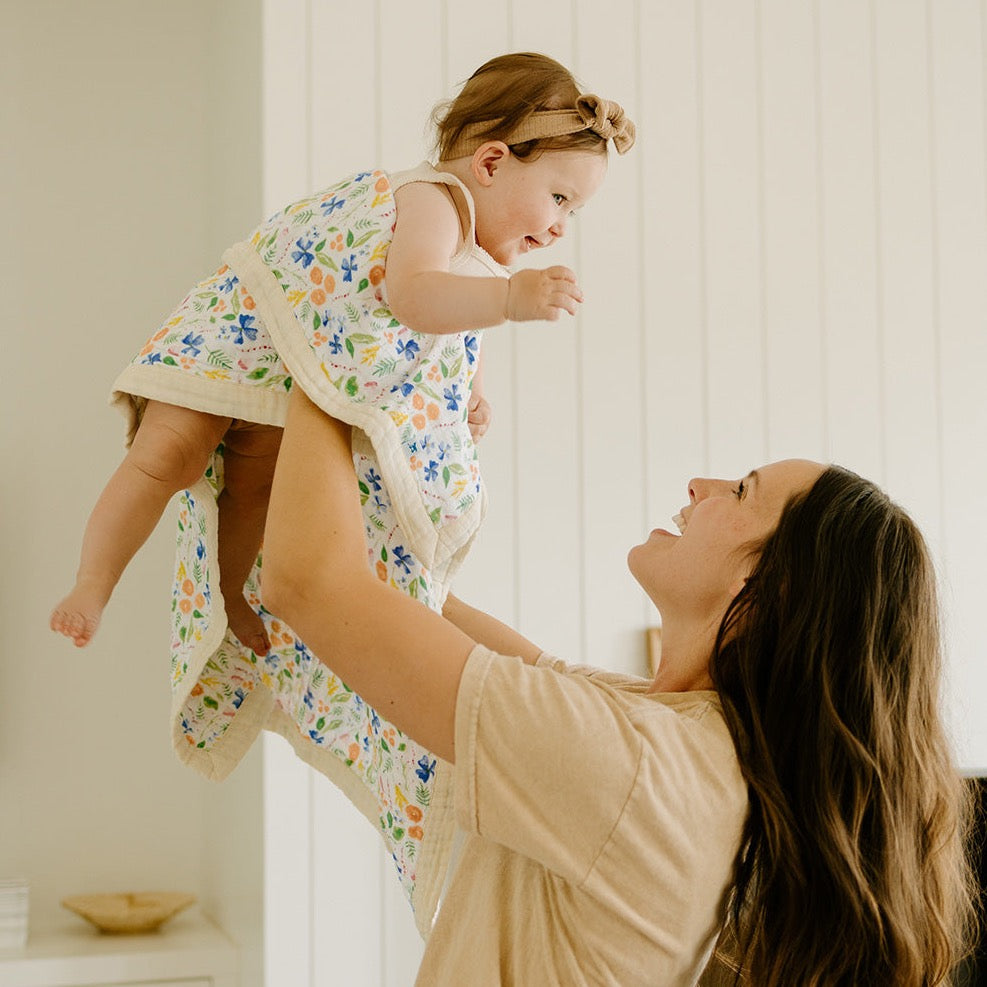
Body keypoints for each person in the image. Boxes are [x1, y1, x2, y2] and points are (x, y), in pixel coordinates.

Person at [260, 387, 975, 985]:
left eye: (740, 489)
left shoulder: (637, 763)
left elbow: (308, 582)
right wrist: (411, 424)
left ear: (760, 588)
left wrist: (333, 361)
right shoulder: (668, 730)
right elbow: (410, 603)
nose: (699, 483)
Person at [49, 52, 633, 655]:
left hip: (287, 381)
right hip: (235, 343)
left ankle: (227, 596)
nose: (563, 226)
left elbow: (452, 331)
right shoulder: (433, 200)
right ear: (490, 162)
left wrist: (471, 394)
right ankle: (92, 583)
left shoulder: (473, 251)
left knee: (253, 493)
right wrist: (510, 297)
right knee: (166, 457)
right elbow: (415, 296)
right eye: (560, 199)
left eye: (574, 211)